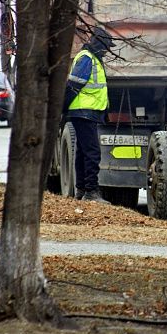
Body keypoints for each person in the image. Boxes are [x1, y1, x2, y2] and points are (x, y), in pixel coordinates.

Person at [63, 27, 115, 203]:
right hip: (84, 112)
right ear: (98, 44)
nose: (107, 51)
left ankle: (81, 190)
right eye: (106, 47)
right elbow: (73, 86)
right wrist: (63, 110)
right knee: (92, 152)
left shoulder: (91, 58)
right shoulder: (87, 59)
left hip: (86, 112)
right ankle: (91, 192)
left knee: (83, 152)